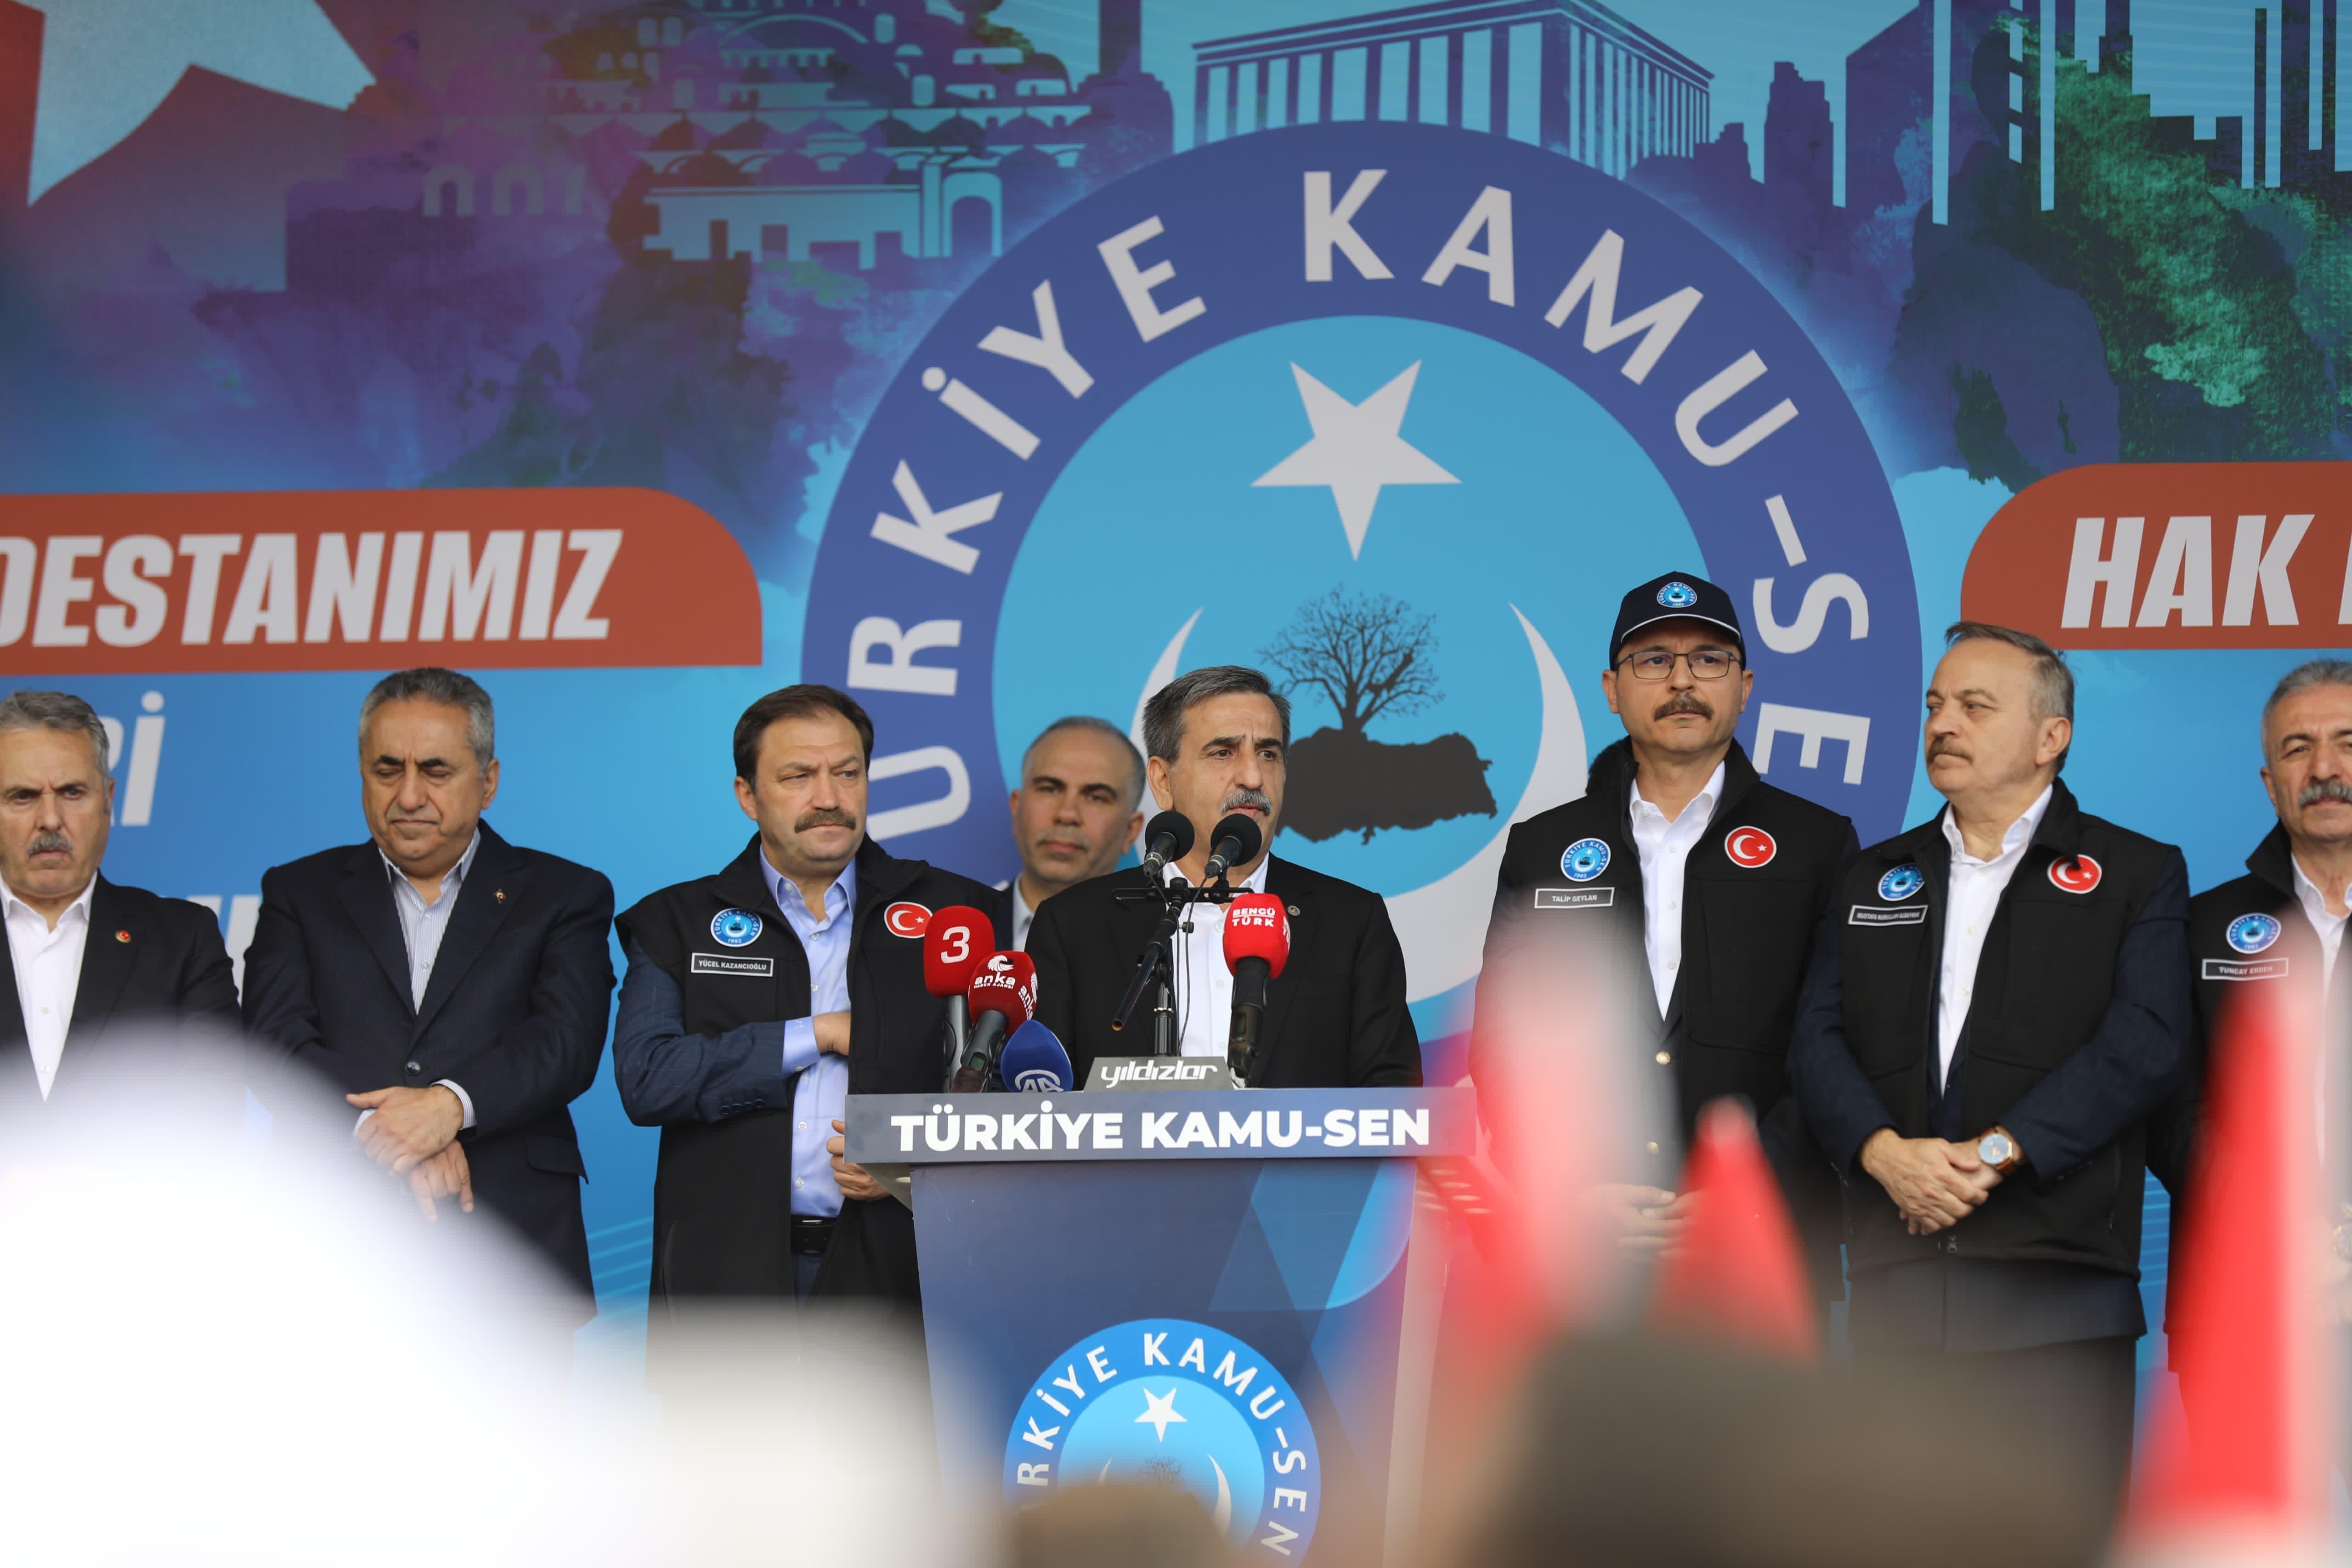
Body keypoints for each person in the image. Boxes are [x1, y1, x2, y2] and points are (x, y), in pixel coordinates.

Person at [1788, 623, 2191, 1507]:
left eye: (1975, 706)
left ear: (2051, 736)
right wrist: (1884, 1153)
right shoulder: (1872, 876)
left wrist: (1998, 1154)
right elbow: (1815, 1038)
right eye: (1936, 704)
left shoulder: (2136, 872)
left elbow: (2147, 1040)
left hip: (2059, 1296)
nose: (1944, 723)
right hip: (1900, 1294)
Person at [1470, 573, 1856, 1300]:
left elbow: (1833, 1043)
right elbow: (1501, 1042)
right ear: (1612, 690)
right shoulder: (1543, 847)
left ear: (1745, 686)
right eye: (1654, 660)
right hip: (1586, 1252)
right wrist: (1571, 1188)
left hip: (1761, 1246)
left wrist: (1744, 1185)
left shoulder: (1817, 844)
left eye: (1708, 659)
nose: (1682, 680)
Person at [611, 684, 996, 1314]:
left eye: (847, 773)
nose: (828, 798)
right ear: (747, 795)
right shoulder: (675, 922)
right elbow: (648, 1080)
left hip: (901, 1278)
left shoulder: (961, 914)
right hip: (722, 1277)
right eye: (798, 776)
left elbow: (1014, 1096)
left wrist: (915, 1165)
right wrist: (815, 1033)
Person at [242, 668, 616, 1314]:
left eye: (436, 771)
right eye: (388, 770)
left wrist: (449, 1106)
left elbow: (566, 1042)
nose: (409, 795)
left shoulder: (565, 894)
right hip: (329, 1236)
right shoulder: (298, 892)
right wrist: (390, 1132)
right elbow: (273, 1039)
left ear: (488, 781)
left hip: (508, 1244)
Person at [1026, 665, 1420, 1087]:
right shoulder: (1071, 926)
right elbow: (1038, 1099)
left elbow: (1394, 1095)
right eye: (1223, 753)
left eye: (1268, 754)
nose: (1254, 777)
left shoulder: (1351, 922)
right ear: (1163, 780)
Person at [2153, 659, 2352, 1296]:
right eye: (2298, 749)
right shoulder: (2199, 926)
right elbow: (2170, 1111)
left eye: (2348, 743)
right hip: (2243, 1295)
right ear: (2271, 784)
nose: (2324, 769)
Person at [0, 690, 238, 1113]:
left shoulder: (184, 940)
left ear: (108, 799)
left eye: (72, 792)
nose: (51, 819)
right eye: (24, 796)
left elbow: (214, 1111)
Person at [1001, 716, 1147, 950]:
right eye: (1050, 789)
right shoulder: (955, 936)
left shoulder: (1165, 949)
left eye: (1096, 798)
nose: (1067, 814)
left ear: (1131, 831)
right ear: (1016, 810)